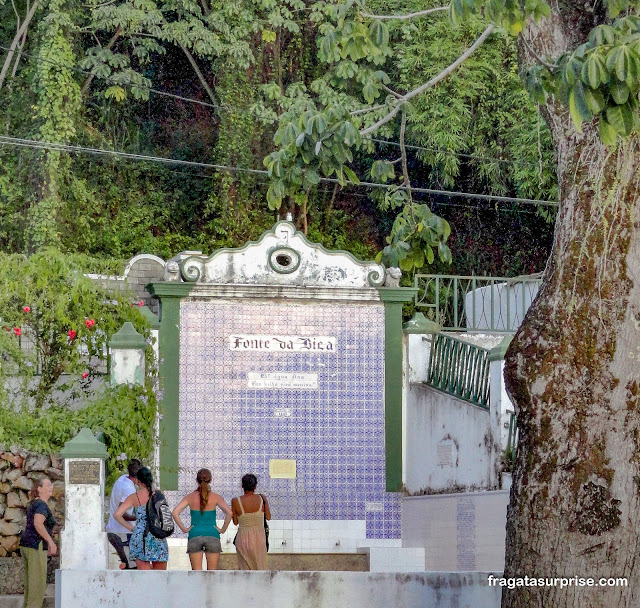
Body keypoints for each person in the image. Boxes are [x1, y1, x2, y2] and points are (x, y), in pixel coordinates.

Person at [172, 468, 233, 570]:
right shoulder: (216, 497)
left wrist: (185, 529)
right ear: (211, 481)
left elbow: (175, 512)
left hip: (194, 534)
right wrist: (222, 529)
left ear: (196, 481)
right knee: (212, 574)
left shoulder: (190, 497)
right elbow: (229, 513)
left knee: (197, 574)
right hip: (212, 534)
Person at [113, 466, 168, 570]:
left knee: (143, 576)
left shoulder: (134, 497)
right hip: (158, 534)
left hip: (140, 536)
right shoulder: (159, 494)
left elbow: (117, 515)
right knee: (160, 575)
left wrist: (130, 527)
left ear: (138, 481)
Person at [19, 477, 57, 608]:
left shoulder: (34, 503)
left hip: (27, 544)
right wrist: (50, 541)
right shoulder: (41, 504)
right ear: (39, 489)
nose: (50, 487)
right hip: (36, 545)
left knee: (31, 587)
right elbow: (38, 523)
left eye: (51, 484)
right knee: (37, 586)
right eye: (47, 485)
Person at [106, 458, 141, 569]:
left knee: (128, 565)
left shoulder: (122, 479)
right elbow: (122, 512)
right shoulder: (129, 488)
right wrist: (138, 518)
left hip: (114, 531)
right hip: (122, 533)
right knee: (132, 568)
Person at [231, 473, 271, 570]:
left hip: (243, 538)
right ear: (255, 486)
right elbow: (268, 517)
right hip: (259, 539)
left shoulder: (235, 501)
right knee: (260, 568)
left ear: (242, 486)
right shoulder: (262, 498)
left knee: (244, 571)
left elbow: (235, 522)